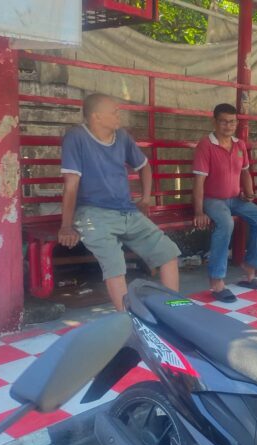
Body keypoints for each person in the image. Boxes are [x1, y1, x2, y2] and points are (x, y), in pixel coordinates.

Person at [58, 93, 180, 311]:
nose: (119, 115)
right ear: (96, 116)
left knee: (168, 252)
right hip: (92, 213)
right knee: (115, 264)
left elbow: (144, 166)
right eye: (114, 112)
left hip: (127, 212)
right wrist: (66, 226)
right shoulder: (76, 137)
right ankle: (129, 319)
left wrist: (145, 198)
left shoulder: (122, 137)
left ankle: (175, 309)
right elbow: (71, 185)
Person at [192, 103, 257, 301]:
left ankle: (250, 269)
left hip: (236, 199)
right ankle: (216, 281)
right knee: (226, 223)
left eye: (232, 122)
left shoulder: (239, 144)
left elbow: (245, 172)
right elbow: (199, 181)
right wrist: (199, 211)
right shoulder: (206, 145)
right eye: (223, 122)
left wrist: (249, 192)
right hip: (213, 200)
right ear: (215, 122)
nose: (228, 126)